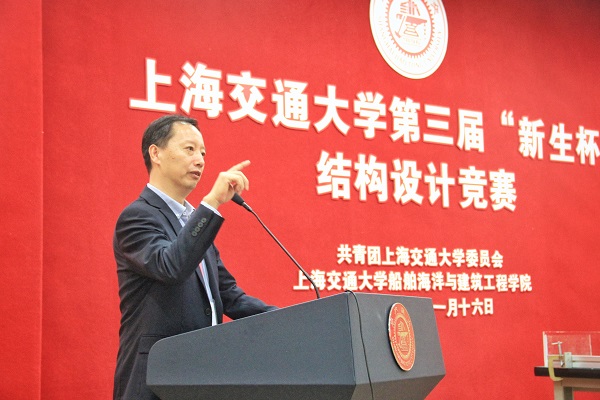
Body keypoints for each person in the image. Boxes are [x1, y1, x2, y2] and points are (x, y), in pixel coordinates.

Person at [113, 114, 277, 400]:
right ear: (156, 153)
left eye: (202, 153)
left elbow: (228, 297)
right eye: (189, 149)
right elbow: (171, 266)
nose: (200, 160)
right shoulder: (137, 217)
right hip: (156, 379)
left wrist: (287, 318)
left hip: (200, 375)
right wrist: (211, 203)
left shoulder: (193, 223)